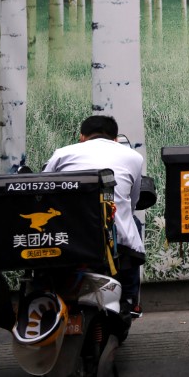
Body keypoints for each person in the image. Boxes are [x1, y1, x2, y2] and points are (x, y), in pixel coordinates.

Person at [43, 115, 145, 316]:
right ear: (115, 139)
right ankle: (129, 299)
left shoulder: (62, 154)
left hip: (67, 234)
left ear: (82, 137)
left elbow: (44, 187)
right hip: (113, 235)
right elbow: (133, 201)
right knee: (132, 222)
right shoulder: (133, 157)